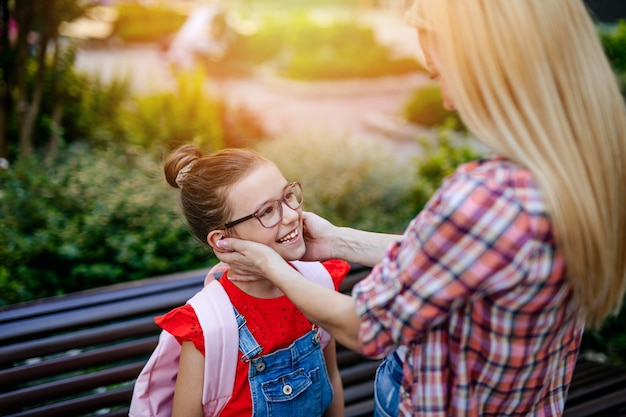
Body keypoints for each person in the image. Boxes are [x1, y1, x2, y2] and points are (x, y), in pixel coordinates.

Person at [213, 0, 626, 416]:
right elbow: (470, 259)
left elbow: (364, 327)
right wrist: (339, 241)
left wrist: (272, 266)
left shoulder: (487, 195)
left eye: (441, 73)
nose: (447, 99)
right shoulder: (588, 168)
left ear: (490, 65)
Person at [137, 145, 349, 417]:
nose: (292, 215)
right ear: (222, 240)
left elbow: (331, 379)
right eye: (267, 212)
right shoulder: (209, 327)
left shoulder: (317, 282)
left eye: (288, 196)